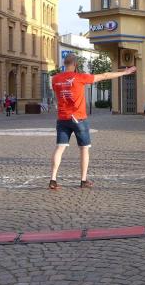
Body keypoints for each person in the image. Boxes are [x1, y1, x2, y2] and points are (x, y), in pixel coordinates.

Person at [49, 53, 135, 189]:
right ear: (76, 64)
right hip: (79, 118)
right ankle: (83, 180)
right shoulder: (80, 77)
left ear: (64, 64)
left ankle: (53, 180)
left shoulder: (55, 79)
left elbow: (56, 97)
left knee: (59, 148)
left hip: (62, 118)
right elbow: (105, 75)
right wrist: (125, 73)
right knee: (84, 149)